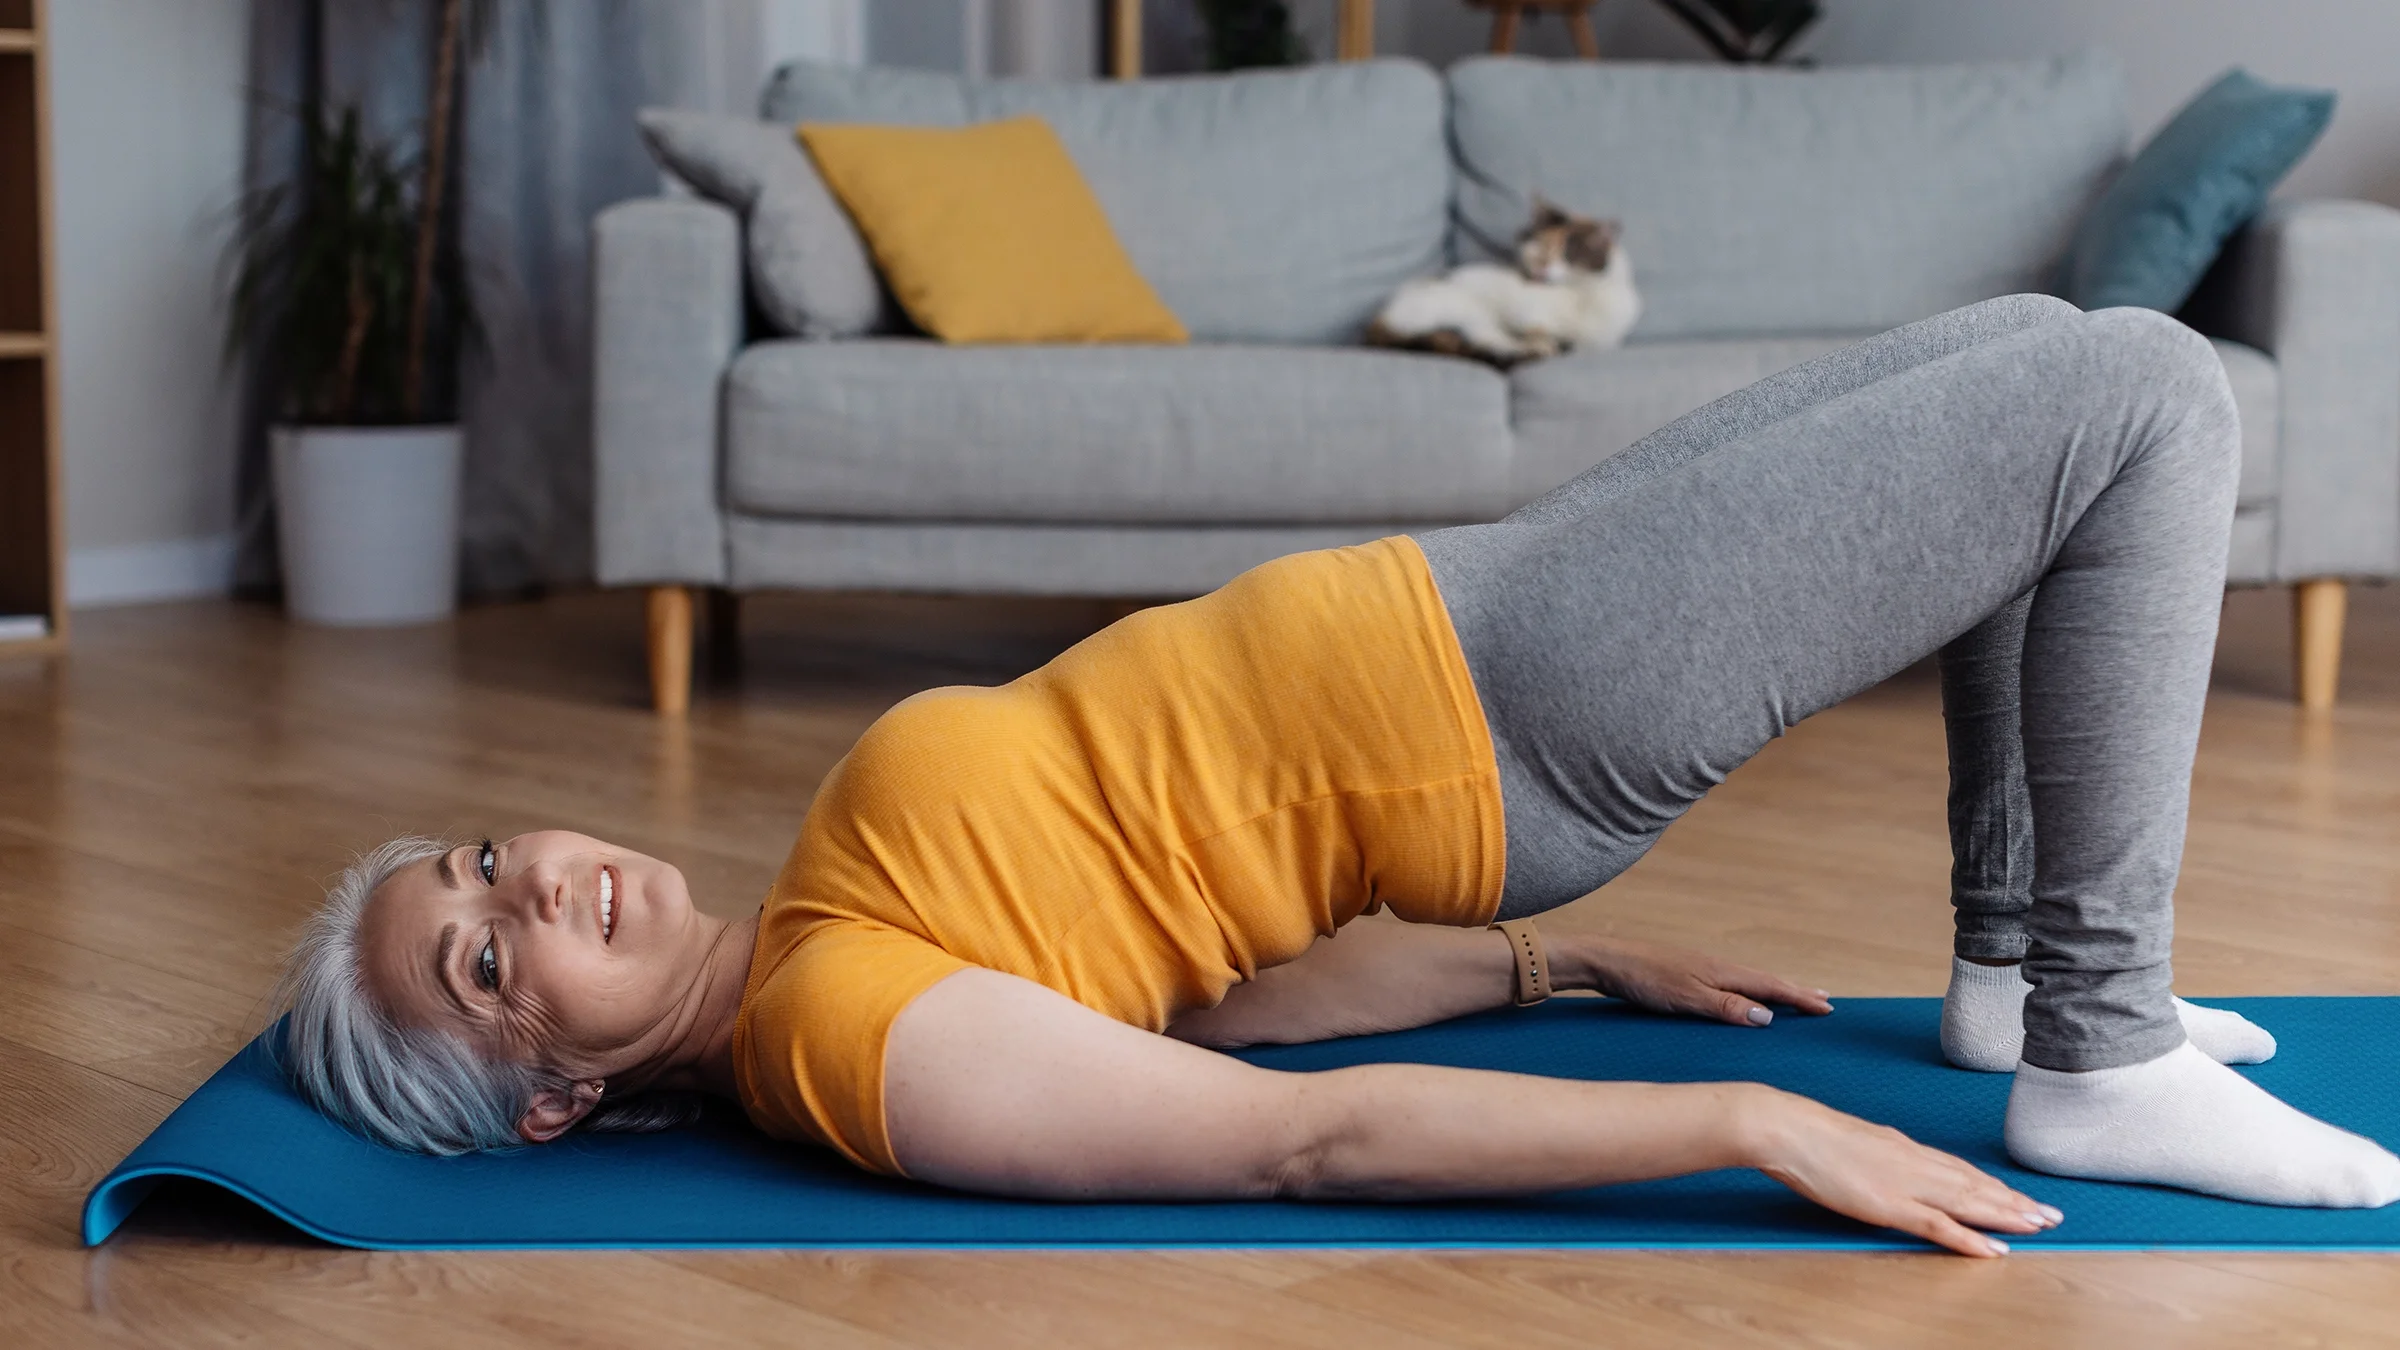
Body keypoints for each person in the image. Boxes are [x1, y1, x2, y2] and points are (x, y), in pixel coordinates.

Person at [281, 296, 2400, 1261]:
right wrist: (1743, 1120)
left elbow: (1224, 990)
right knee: (2140, 399)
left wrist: (1569, 976)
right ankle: (2098, 1048)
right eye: (481, 962)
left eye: (488, 862)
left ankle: (2021, 987)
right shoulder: (848, 1044)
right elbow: (1288, 1141)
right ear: (550, 1092)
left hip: (1479, 608)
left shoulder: (830, 934)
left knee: (2043, 345)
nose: (536, 889)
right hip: (1523, 695)